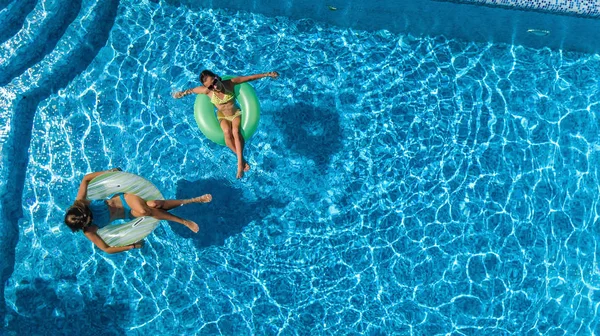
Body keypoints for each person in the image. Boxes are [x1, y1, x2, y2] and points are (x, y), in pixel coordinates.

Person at [64, 168, 212, 254]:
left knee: (145, 210)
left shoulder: (81, 202)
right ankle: (192, 200)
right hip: (128, 214)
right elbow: (106, 249)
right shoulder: (89, 231)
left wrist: (109, 173)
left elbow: (85, 179)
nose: (91, 216)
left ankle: (183, 221)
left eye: (88, 214)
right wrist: (132, 246)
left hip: (124, 199)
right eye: (89, 219)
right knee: (154, 205)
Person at [172, 70, 279, 178]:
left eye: (214, 82)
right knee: (227, 132)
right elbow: (192, 90)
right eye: (210, 87)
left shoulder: (230, 83)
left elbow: (249, 78)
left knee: (236, 131)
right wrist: (181, 94)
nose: (214, 87)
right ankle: (242, 159)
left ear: (217, 77)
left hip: (235, 114)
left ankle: (239, 166)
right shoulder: (207, 92)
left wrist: (267, 74)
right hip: (222, 116)